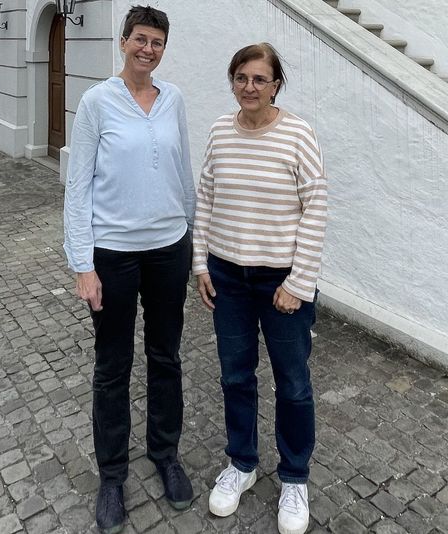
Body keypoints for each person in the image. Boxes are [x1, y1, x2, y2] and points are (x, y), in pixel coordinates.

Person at [62, 6, 195, 533]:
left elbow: (183, 170)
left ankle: (166, 455)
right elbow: (77, 186)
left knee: (166, 356)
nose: (148, 49)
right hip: (112, 255)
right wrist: (82, 263)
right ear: (123, 42)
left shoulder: (174, 99)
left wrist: (193, 241)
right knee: (112, 365)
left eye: (157, 42)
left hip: (168, 249)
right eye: (141, 39)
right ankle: (112, 476)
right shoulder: (97, 102)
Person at [192, 43, 328, 534]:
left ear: (276, 85)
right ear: (233, 81)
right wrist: (200, 263)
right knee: (235, 376)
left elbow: (316, 207)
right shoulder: (218, 132)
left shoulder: (297, 134)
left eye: (259, 79)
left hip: (281, 285)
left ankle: (294, 476)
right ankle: (242, 464)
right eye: (241, 78)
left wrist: (299, 282)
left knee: (292, 383)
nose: (249, 87)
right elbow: (205, 196)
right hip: (227, 278)